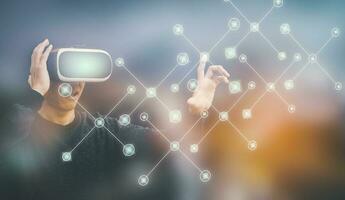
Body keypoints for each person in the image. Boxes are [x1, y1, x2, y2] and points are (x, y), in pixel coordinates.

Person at [0, 39, 230, 200]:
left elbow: (168, 144)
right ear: (45, 78)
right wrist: (36, 95)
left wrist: (197, 111)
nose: (78, 85)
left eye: (82, 77)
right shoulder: (16, 134)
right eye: (67, 76)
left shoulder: (107, 134)